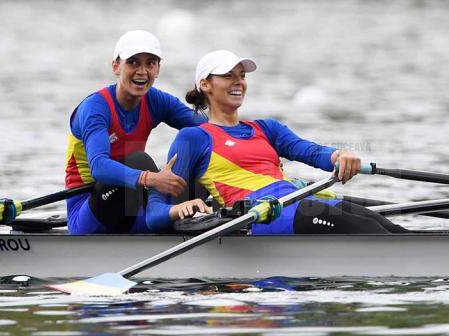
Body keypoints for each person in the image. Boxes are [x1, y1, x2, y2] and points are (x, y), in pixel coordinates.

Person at [145, 50, 407, 234]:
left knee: (386, 226)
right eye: (228, 75)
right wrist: (179, 208)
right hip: (265, 214)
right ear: (205, 84)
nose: (238, 81)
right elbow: (154, 215)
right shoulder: (193, 138)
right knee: (365, 229)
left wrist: (340, 156)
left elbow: (312, 152)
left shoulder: (267, 128)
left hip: (300, 201)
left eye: (242, 75)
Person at [65, 30, 211, 234]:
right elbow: (98, 167)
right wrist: (151, 178)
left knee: (202, 153)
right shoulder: (95, 108)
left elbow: (211, 130)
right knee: (139, 161)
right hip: (89, 212)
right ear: (116, 66)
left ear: (158, 69)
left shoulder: (156, 100)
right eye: (133, 62)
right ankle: (167, 221)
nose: (142, 71)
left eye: (150, 63)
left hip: (134, 208)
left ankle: (176, 219)